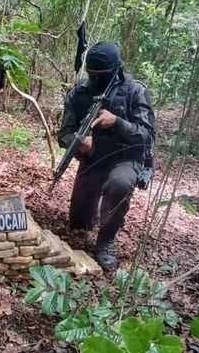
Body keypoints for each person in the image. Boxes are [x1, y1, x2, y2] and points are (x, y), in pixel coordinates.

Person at [58, 42, 155, 269]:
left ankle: (106, 239)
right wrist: (77, 143)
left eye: (102, 75)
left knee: (119, 184)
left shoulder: (134, 91)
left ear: (116, 70)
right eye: (93, 75)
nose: (96, 80)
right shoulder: (80, 92)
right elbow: (64, 133)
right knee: (79, 222)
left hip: (126, 157)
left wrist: (118, 122)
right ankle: (88, 216)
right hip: (94, 157)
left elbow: (147, 135)